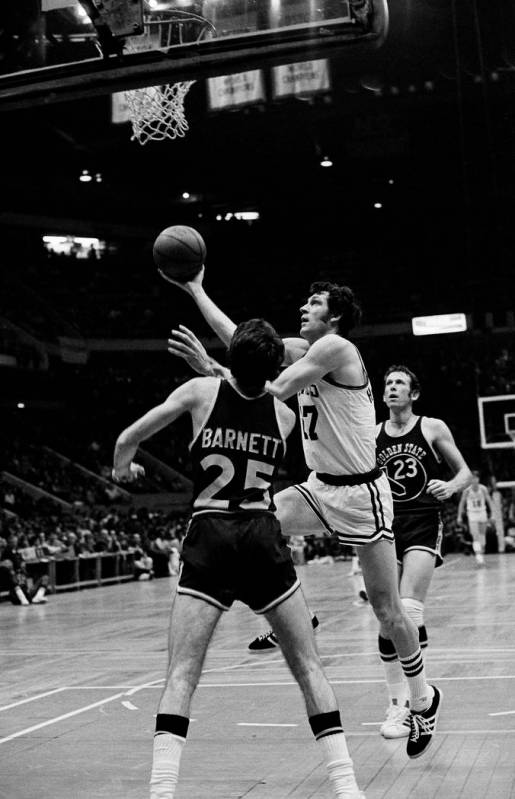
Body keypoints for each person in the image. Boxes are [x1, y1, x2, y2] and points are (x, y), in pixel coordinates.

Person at [164, 269, 442, 759]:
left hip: (362, 495)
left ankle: (423, 698)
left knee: (388, 611)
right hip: (319, 487)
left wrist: (212, 371)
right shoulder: (309, 347)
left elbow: (270, 388)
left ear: (332, 315)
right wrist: (196, 289)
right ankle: (299, 613)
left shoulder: (337, 350)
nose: (302, 308)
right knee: (258, 520)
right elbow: (244, 346)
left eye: (312, 303)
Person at [112, 318, 367, 799]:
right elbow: (254, 391)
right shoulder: (285, 416)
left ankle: (162, 791)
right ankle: (347, 785)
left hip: (210, 534)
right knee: (309, 667)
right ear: (274, 368)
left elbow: (129, 437)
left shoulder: (199, 392)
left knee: (182, 673)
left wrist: (122, 467)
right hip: (261, 535)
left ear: (230, 359)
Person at [375, 365, 472, 738]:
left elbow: (464, 472)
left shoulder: (431, 427)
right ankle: (399, 703)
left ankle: (420, 701)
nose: (392, 388)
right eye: (388, 384)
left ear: (414, 393)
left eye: (399, 383)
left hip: (423, 521)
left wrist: (450, 486)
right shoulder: (371, 434)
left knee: (410, 608)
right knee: (388, 617)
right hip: (384, 526)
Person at [457, 470, 495, 566]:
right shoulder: (467, 490)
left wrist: (493, 514)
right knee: (475, 536)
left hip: (482, 513)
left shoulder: (483, 489)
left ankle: (481, 554)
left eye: (476, 478)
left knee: (482, 536)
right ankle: (478, 557)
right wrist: (459, 516)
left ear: (478, 479)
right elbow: (462, 503)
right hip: (472, 514)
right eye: (472, 478)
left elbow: (489, 501)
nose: (474, 480)